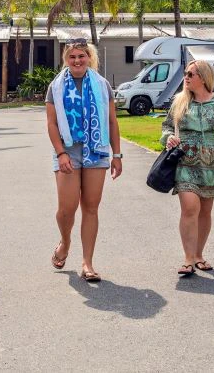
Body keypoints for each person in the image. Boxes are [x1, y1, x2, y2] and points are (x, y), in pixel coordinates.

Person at [160, 60, 214, 277]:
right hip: (185, 160)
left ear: (203, 77)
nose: (186, 77)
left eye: (191, 74)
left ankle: (198, 255)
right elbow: (167, 127)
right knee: (190, 208)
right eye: (186, 73)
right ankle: (188, 259)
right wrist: (168, 137)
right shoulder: (179, 101)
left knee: (205, 211)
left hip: (212, 162)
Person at [45, 38, 122, 282]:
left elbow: (112, 122)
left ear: (89, 57)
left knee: (90, 207)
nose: (77, 60)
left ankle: (87, 263)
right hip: (67, 150)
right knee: (66, 209)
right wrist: (61, 153)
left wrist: (117, 155)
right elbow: (52, 123)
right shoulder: (56, 86)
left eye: (81, 56)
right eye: (72, 57)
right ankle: (65, 242)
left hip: (96, 149)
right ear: (66, 59)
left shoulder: (102, 85)